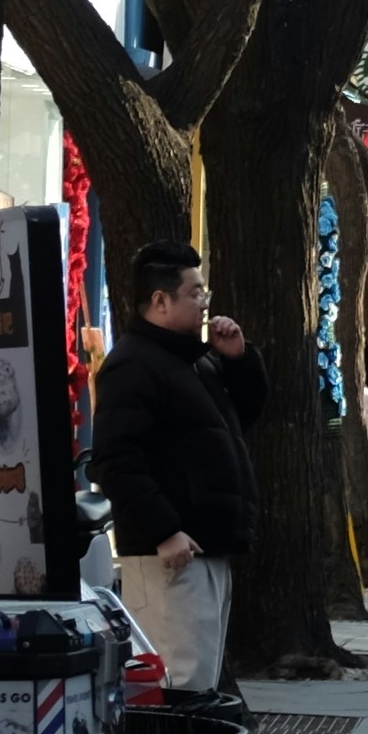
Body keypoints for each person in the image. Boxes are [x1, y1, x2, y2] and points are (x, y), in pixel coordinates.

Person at [90, 239, 265, 695]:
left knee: (197, 680)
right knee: (175, 683)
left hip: (206, 546)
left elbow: (235, 423)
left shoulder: (196, 360)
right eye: (196, 292)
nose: (205, 303)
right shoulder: (131, 365)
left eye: (204, 292)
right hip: (170, 553)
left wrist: (239, 361)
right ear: (160, 301)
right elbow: (115, 458)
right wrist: (164, 529)